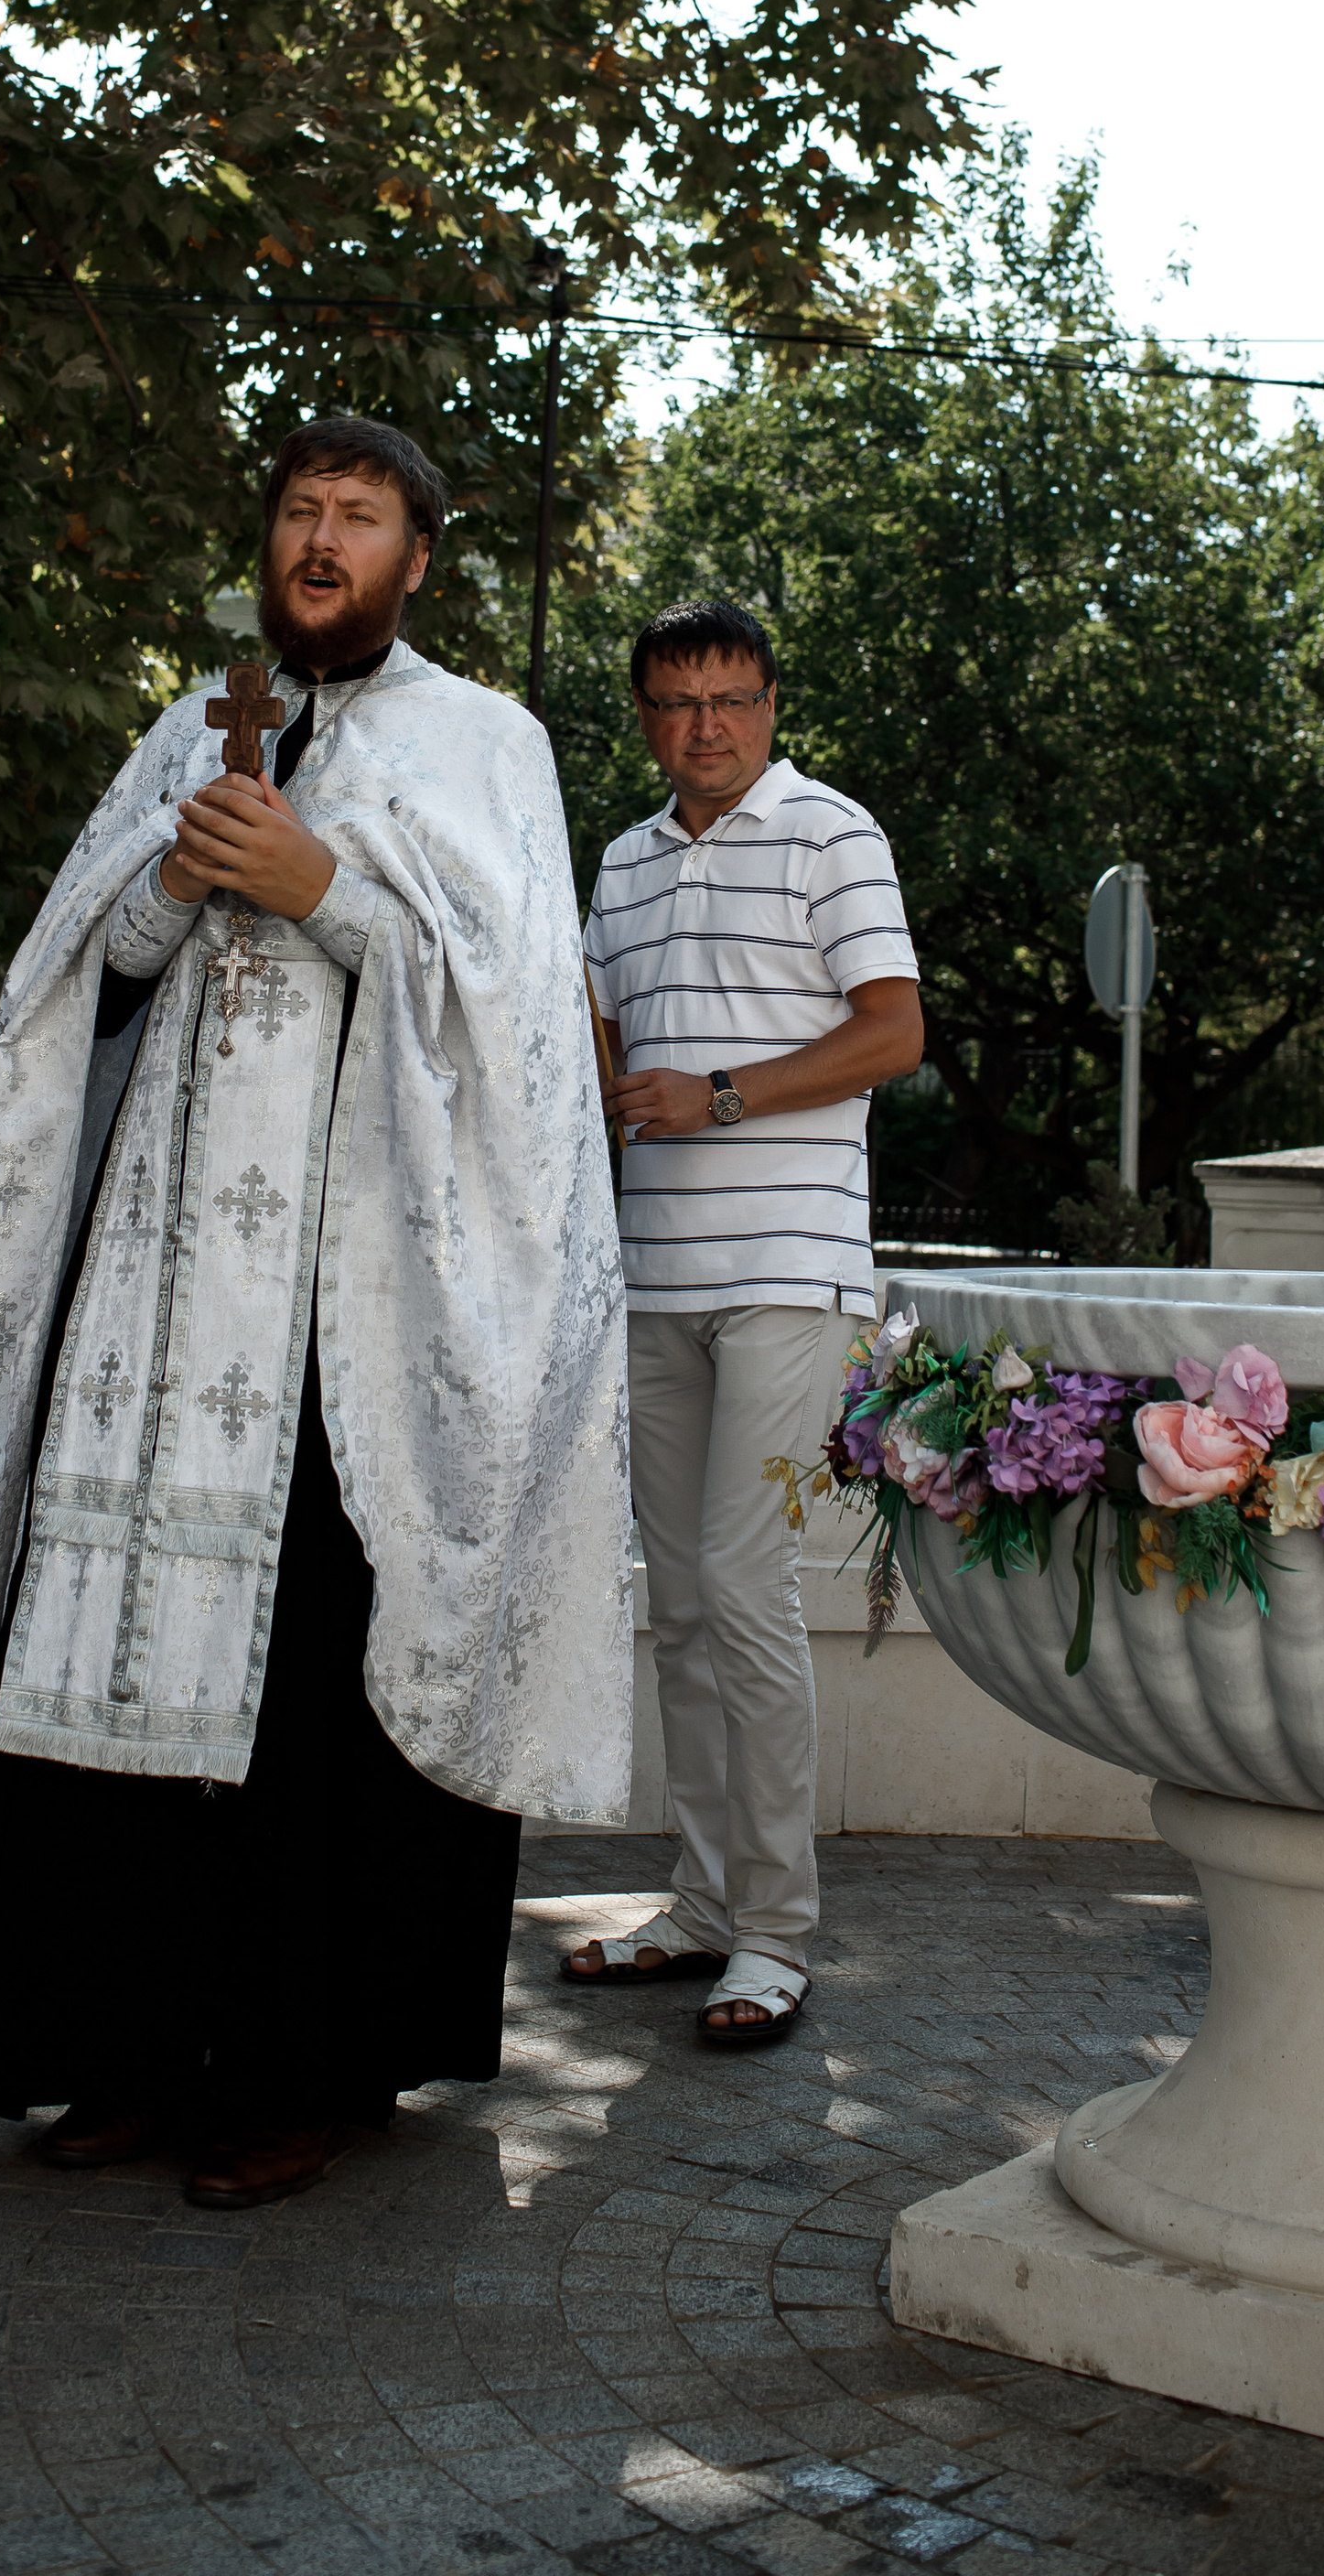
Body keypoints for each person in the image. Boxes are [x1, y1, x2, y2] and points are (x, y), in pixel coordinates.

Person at [0, 417, 630, 2197]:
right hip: (155, 1296)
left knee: (312, 1687)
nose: (323, 542)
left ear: (419, 558)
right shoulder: (190, 727)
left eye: (362, 517)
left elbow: (518, 1026)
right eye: (301, 512)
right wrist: (174, 885)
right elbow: (84, 978)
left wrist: (324, 893)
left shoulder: (484, 742)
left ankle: (301, 2072)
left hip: (351, 1307)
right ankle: (113, 2045)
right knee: (98, 1634)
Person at [566, 598, 921, 2045]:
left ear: (772, 705)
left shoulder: (834, 833)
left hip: (790, 1271)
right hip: (654, 1275)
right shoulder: (623, 862)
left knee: (742, 1581)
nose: (706, 726)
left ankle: (775, 1933)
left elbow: (893, 1033)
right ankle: (703, 1905)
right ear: (646, 717)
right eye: (677, 701)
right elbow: (594, 1044)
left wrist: (713, 1096)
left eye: (732, 698)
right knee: (682, 1603)